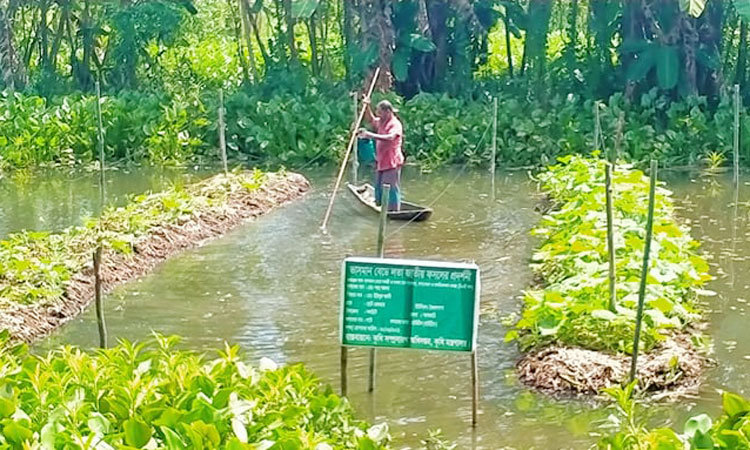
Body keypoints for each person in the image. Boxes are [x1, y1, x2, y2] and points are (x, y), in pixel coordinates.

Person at [358, 98, 404, 211]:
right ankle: (380, 206)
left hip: (392, 161)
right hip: (382, 161)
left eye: (380, 112)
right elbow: (372, 120)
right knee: (378, 187)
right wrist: (367, 106)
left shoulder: (395, 124)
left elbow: (390, 137)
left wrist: (370, 135)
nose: (378, 115)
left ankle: (393, 211)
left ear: (388, 112)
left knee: (390, 188)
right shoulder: (382, 122)